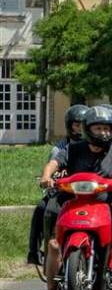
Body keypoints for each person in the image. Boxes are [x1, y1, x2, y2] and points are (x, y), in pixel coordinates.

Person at [36, 106, 112, 290]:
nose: (103, 133)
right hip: (74, 202)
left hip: (108, 201)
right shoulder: (74, 149)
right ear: (87, 129)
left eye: (107, 128)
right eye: (98, 128)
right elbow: (54, 163)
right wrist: (46, 176)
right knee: (54, 245)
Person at [28, 104, 88, 266]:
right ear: (69, 126)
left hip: (87, 192)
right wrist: (50, 177)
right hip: (62, 191)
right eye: (76, 125)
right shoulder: (60, 149)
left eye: (83, 125)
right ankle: (35, 251)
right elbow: (52, 168)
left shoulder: (93, 146)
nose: (80, 129)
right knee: (43, 208)